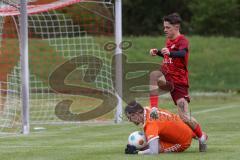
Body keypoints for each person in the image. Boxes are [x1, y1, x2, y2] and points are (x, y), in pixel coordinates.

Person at [148, 13, 207, 152]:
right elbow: (169, 55)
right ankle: (154, 108)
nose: (165, 30)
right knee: (154, 75)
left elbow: (181, 54)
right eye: (164, 27)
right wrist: (158, 52)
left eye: (168, 27)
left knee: (185, 117)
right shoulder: (169, 41)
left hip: (179, 82)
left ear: (176, 27)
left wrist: (169, 52)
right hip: (168, 76)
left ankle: (201, 136)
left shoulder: (182, 40)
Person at [125, 101, 195, 155]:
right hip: (184, 128)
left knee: (154, 147)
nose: (129, 120)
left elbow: (154, 151)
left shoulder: (151, 124)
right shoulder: (148, 109)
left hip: (182, 142)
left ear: (137, 114)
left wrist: (137, 152)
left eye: (130, 117)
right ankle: (198, 135)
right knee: (150, 143)